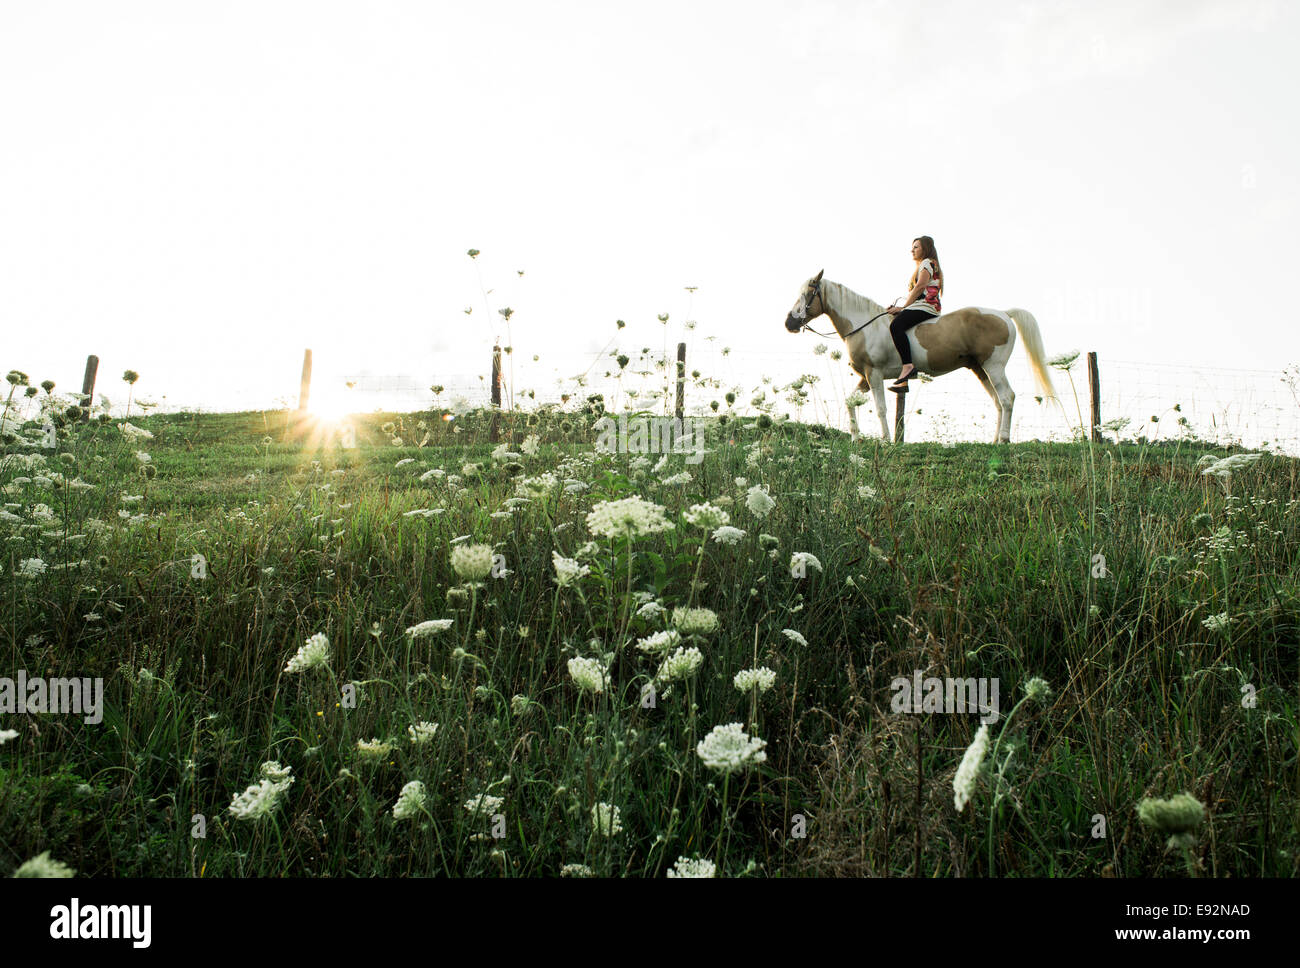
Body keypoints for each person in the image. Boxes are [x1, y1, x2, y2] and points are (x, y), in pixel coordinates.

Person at [886, 236, 943, 392]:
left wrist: (902, 308)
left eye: (916, 247)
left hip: (926, 307)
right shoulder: (932, 264)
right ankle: (903, 382)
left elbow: (920, 287)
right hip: (928, 306)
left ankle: (907, 366)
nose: (912, 250)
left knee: (896, 326)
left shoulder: (926, 263)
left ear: (925, 248)